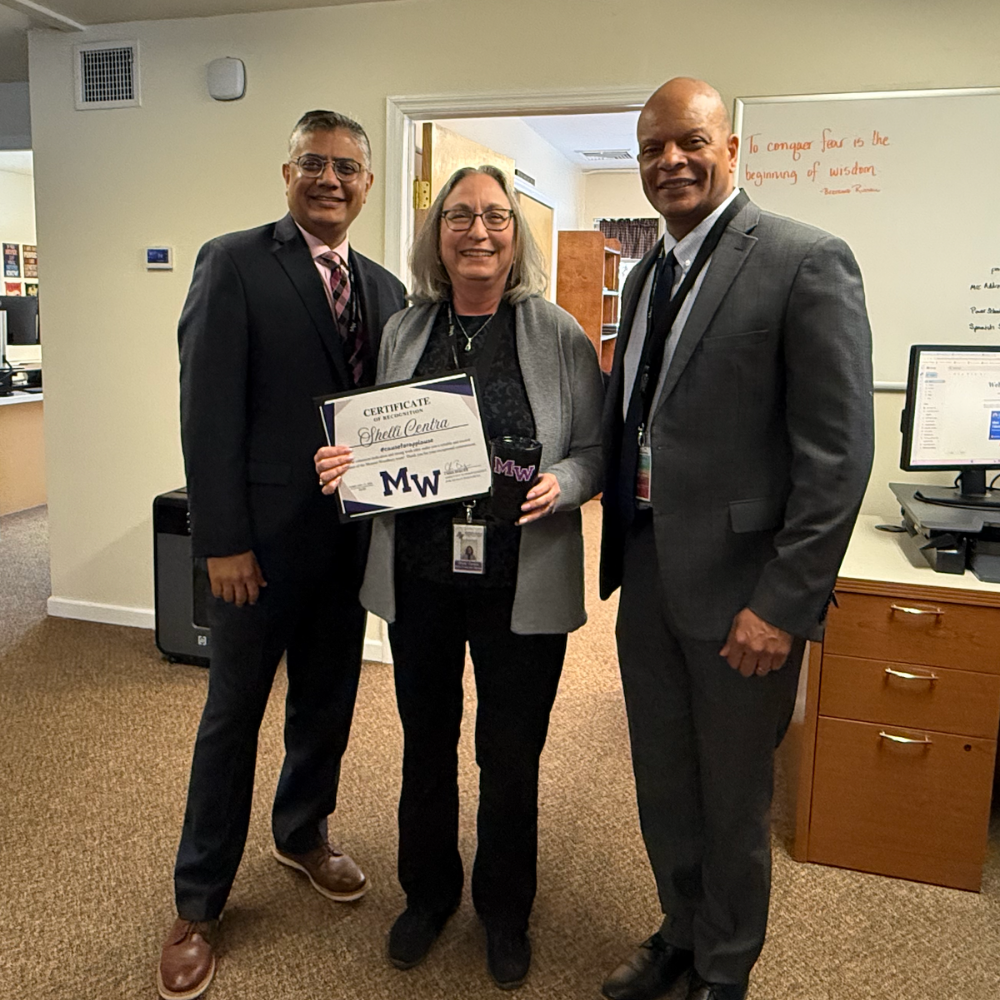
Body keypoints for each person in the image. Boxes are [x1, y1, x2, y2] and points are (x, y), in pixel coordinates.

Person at [599, 78, 874, 1000]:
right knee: (663, 784)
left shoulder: (804, 260)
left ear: (732, 149)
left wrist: (782, 604)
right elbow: (638, 421)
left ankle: (724, 968)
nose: (669, 161)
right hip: (646, 575)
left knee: (732, 797)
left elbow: (835, 457)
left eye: (689, 142)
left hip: (744, 596)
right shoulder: (644, 278)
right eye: (651, 150)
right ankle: (680, 931)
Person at [315, 165, 604, 989]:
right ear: (437, 235)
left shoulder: (557, 334)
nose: (478, 231)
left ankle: (504, 912)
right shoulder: (407, 329)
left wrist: (570, 484)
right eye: (460, 217)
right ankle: (428, 895)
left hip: (524, 583)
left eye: (495, 217)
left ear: (516, 236)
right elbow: (375, 434)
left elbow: (594, 448)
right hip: (421, 583)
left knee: (510, 756)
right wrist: (346, 461)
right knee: (425, 745)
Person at [159, 110, 406, 1000]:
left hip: (346, 548)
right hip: (254, 554)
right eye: (314, 163)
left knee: (327, 704)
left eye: (346, 166)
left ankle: (302, 832)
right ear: (288, 173)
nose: (330, 179)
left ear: (367, 184)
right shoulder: (233, 263)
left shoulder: (385, 290)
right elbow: (207, 411)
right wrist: (221, 540)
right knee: (231, 721)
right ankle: (197, 900)